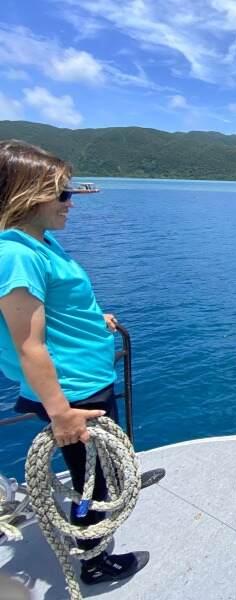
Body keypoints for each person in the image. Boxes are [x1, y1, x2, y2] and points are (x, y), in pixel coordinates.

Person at [0, 140, 148, 584]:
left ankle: (120, 483)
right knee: (91, 483)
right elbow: (29, 344)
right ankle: (93, 560)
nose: (71, 203)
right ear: (29, 196)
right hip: (73, 392)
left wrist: (91, 317)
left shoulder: (38, 243)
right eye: (62, 194)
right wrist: (61, 414)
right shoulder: (16, 255)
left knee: (103, 467)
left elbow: (56, 306)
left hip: (89, 379)